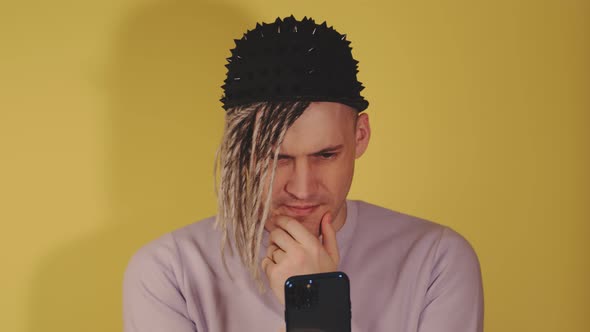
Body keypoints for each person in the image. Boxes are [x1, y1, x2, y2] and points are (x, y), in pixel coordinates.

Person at [123, 16, 484, 332]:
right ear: (242, 152)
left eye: (325, 154)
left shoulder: (437, 260)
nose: (301, 187)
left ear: (360, 136)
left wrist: (315, 304)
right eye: (276, 158)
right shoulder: (169, 272)